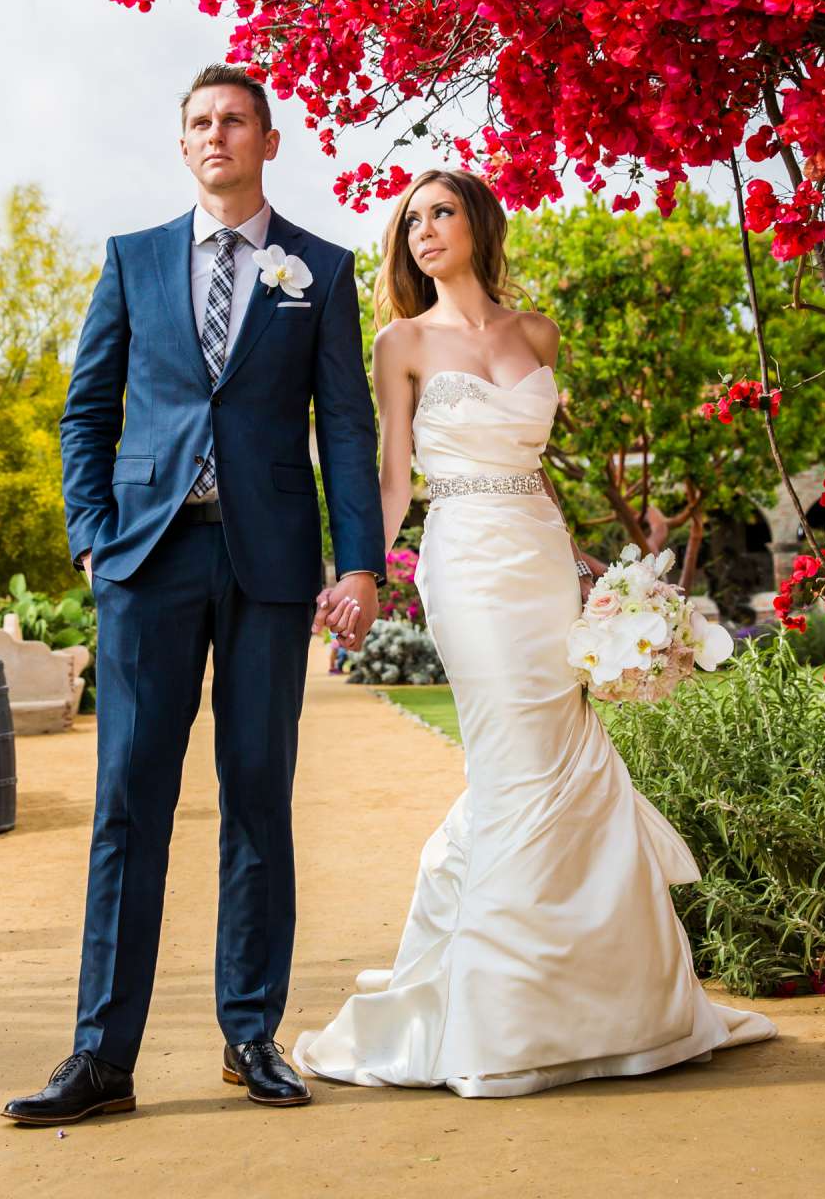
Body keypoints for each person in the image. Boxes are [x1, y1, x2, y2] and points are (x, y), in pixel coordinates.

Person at [293, 169, 776, 1098]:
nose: (424, 231)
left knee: (564, 749)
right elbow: (393, 480)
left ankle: (605, 1004)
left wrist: (592, 572)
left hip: (540, 556)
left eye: (440, 213)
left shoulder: (538, 332)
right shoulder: (400, 341)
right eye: (411, 222)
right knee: (514, 754)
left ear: (476, 222)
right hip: (465, 562)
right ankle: (501, 1015)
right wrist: (353, 570)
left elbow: (539, 474)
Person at [3, 66, 386, 1126]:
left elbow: (346, 425)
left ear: (269, 139)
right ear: (183, 146)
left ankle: (250, 1035)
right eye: (199, 123)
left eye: (233, 120)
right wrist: (91, 536)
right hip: (147, 559)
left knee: (258, 793)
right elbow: (86, 411)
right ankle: (101, 1059)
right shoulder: (130, 260)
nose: (216, 135)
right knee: (130, 800)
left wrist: (358, 560)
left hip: (267, 565)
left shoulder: (321, 268)